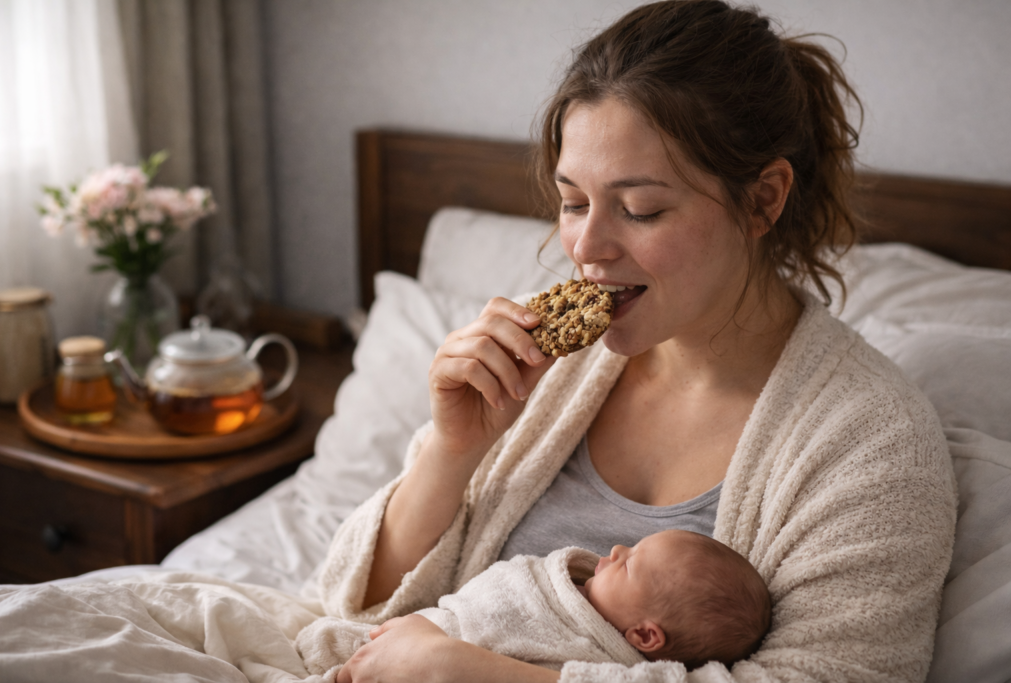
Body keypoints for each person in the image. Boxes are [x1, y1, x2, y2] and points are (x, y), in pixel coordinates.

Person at [320, 1, 957, 681]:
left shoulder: (874, 442)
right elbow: (360, 607)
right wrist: (453, 449)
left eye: (640, 209)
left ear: (763, 200)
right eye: (572, 202)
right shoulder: (543, 368)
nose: (587, 249)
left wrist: (473, 672)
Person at [300, 530, 770, 677]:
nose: (617, 551)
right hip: (408, 631)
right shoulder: (559, 585)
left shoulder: (606, 664)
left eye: (629, 565)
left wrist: (439, 655)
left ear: (645, 636)